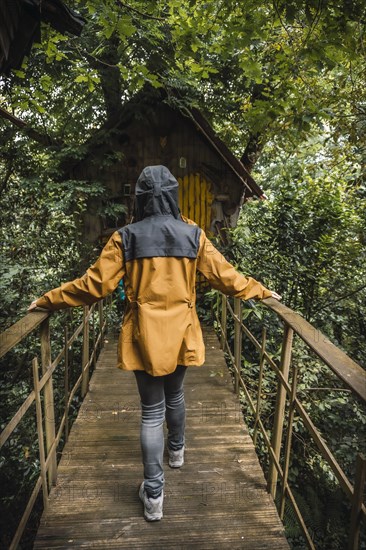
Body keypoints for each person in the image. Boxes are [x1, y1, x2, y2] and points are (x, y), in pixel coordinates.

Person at [28, 165, 281, 522]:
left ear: (141, 198)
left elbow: (93, 286)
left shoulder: (125, 238)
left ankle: (154, 495)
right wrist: (262, 291)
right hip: (181, 334)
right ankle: (176, 452)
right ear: (173, 196)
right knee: (175, 395)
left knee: (151, 411)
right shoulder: (193, 234)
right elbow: (227, 277)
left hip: (143, 336)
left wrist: (47, 299)